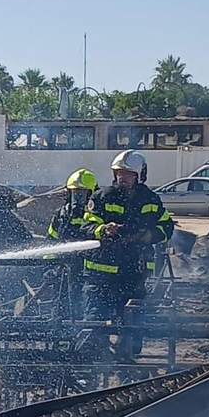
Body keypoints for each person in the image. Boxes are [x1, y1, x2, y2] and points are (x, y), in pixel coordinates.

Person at [81, 150, 172, 360]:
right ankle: (91, 364)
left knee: (132, 327)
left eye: (128, 173)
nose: (122, 177)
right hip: (100, 277)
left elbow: (166, 226)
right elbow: (86, 224)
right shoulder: (102, 196)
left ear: (139, 175)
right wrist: (103, 229)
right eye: (119, 173)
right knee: (93, 324)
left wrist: (149, 235)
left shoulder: (150, 199)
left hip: (134, 275)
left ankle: (125, 363)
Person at [46, 168, 97, 323]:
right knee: (60, 309)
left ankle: (82, 340)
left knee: (84, 307)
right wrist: (50, 267)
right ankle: (61, 342)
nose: (78, 199)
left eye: (82, 194)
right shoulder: (61, 216)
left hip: (87, 271)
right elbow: (51, 243)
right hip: (62, 271)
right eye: (75, 193)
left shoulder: (95, 216)